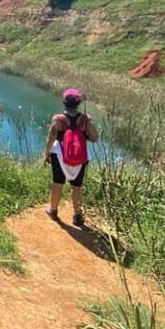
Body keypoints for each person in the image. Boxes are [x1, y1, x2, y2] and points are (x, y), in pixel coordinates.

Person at [43, 88, 98, 226]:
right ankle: (78, 216)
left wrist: (46, 153)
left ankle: (53, 210)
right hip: (80, 156)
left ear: (64, 103)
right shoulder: (86, 119)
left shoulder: (58, 119)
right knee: (77, 187)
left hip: (59, 154)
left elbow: (50, 138)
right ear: (78, 103)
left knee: (57, 183)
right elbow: (94, 138)